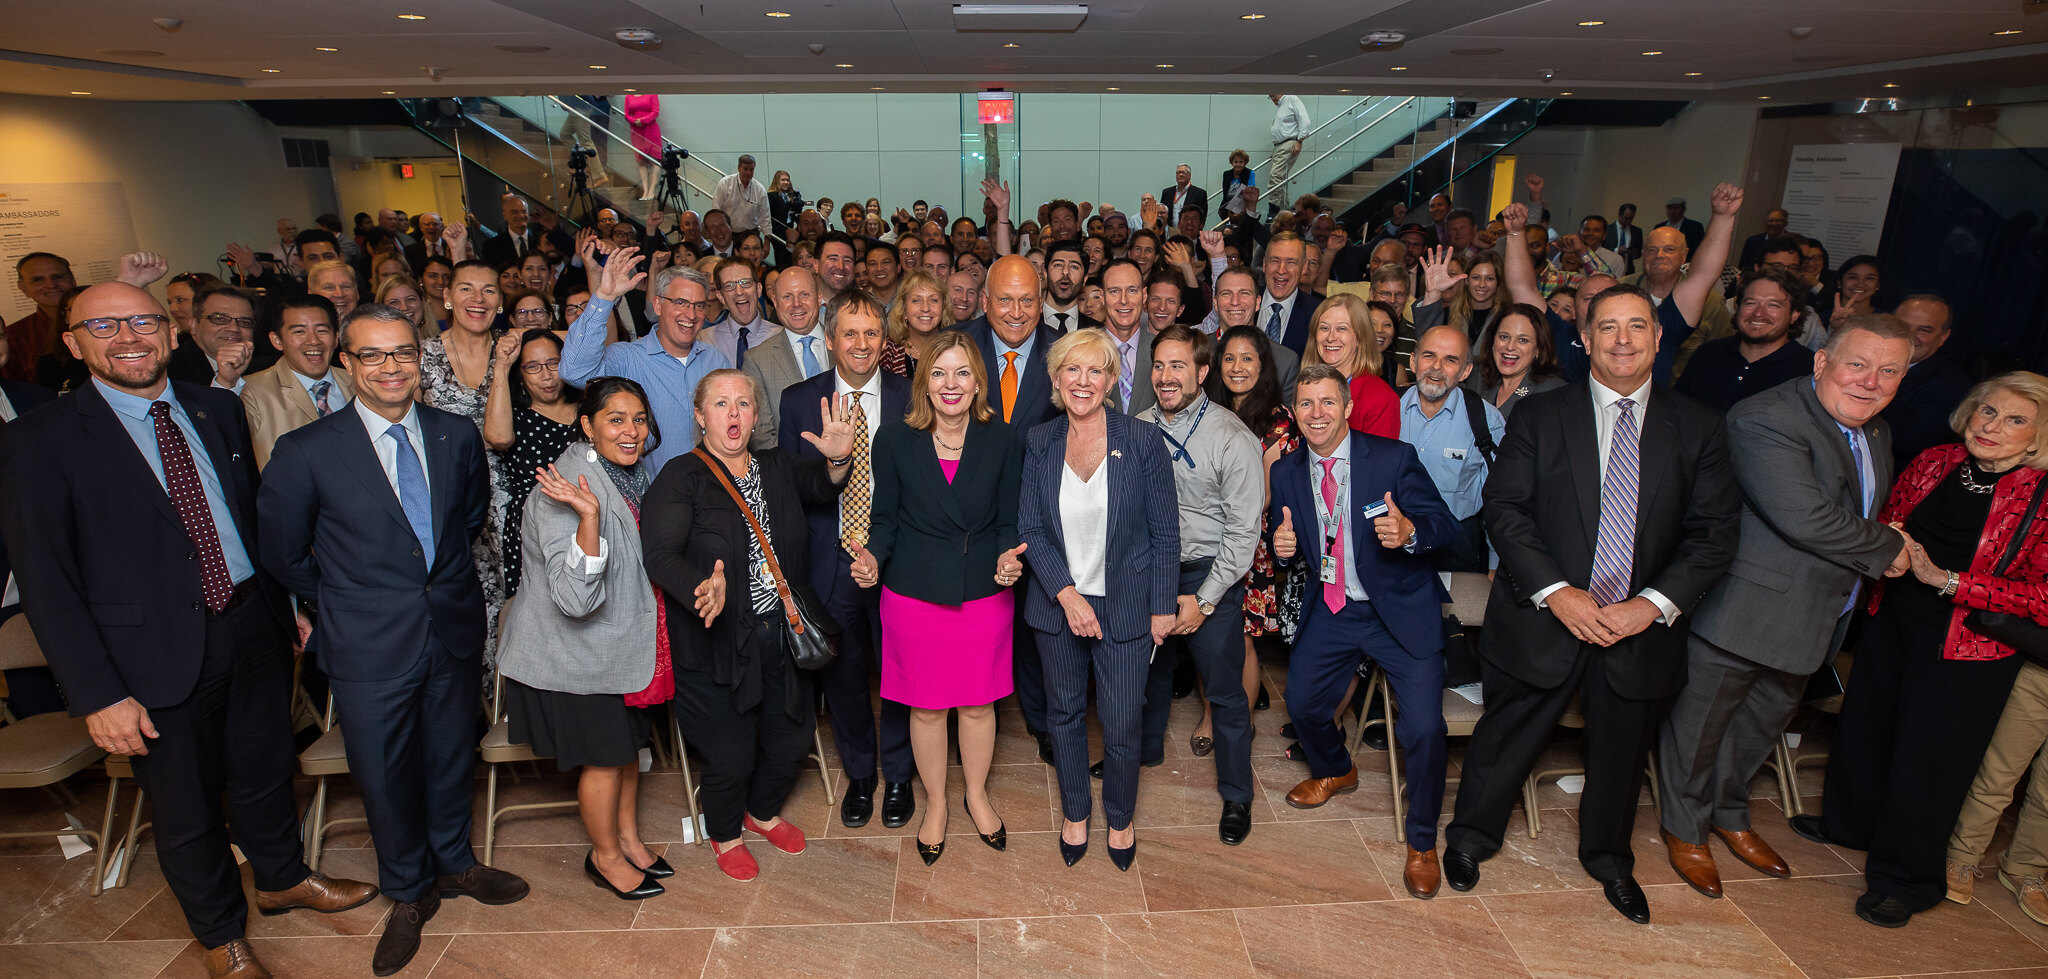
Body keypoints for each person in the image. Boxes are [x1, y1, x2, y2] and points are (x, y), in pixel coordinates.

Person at [0, 283, 377, 979]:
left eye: (143, 319)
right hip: (146, 658)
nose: (129, 336)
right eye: (105, 324)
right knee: (186, 805)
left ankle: (282, 875)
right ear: (73, 342)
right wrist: (96, 694)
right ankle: (220, 933)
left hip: (250, 625)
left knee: (268, 771)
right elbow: (47, 583)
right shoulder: (37, 440)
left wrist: (285, 602)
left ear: (171, 334)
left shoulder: (217, 408)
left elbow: (245, 517)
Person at [1444, 283, 1742, 925]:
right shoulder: (1541, 417)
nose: (1624, 339)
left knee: (1621, 751)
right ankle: (1471, 838)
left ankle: (1609, 858)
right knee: (1504, 735)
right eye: (1608, 327)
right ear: (1585, 339)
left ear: (1660, 338)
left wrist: (1652, 605)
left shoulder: (1698, 425)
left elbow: (1715, 535)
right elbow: (1506, 510)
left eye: (1638, 325)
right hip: (1543, 618)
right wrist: (1557, 593)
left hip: (1639, 627)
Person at [259, 303, 527, 975]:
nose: (389, 367)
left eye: (402, 352)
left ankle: (455, 863)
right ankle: (407, 891)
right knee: (382, 771)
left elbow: (464, 522)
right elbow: (284, 554)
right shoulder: (307, 451)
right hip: (366, 641)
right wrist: (350, 597)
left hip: (452, 628)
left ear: (419, 359)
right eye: (372, 355)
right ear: (347, 362)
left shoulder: (454, 435)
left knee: (448, 753)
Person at [1656, 314, 1914, 903]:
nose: (1871, 382)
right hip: (1745, 611)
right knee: (1698, 730)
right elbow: (1807, 518)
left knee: (1760, 726)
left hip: (1819, 614)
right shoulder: (1766, 419)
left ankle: (1730, 813)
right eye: (1858, 364)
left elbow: (1860, 509)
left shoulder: (1875, 430)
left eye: (1889, 371)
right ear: (1821, 362)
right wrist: (1892, 547)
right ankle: (1685, 829)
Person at [1792, 372, 2048, 927]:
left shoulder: (2043, 493)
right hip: (1894, 617)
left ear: (2037, 437)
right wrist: (1889, 542)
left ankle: (1907, 879)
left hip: (1971, 644)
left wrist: (1948, 580)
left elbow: (2043, 595)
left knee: (1929, 760)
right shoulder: (1935, 459)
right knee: (1867, 726)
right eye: (1987, 411)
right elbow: (1890, 520)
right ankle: (1850, 824)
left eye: (2014, 420)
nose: (1992, 426)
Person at [642, 369, 854, 882]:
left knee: (789, 738)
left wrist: (840, 457)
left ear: (756, 416)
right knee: (730, 753)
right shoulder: (681, 475)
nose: (733, 414)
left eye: (743, 404)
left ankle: (760, 814)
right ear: (699, 416)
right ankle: (725, 832)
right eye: (720, 404)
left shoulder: (777, 465)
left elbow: (823, 486)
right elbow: (661, 554)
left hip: (781, 635)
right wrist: (700, 587)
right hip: (716, 641)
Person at [499, 377, 673, 900]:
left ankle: (628, 840)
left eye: (638, 419)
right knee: (606, 756)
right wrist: (590, 517)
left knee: (627, 750)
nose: (631, 431)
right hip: (573, 655)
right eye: (615, 420)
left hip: (621, 644)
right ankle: (605, 858)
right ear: (587, 426)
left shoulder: (631, 472)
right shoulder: (564, 488)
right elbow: (574, 598)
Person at [1017, 327, 1180, 871]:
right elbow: (1031, 530)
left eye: (1095, 370)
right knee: (1062, 714)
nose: (1082, 381)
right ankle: (1075, 813)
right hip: (1059, 605)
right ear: (1057, 379)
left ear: (1111, 380)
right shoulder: (1039, 442)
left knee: (1122, 720)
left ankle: (1121, 814)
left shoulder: (1141, 442)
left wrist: (1162, 607)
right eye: (1072, 370)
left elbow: (1165, 533)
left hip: (1127, 606)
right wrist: (1067, 596)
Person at [859, 331, 1023, 864]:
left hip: (982, 590)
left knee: (978, 704)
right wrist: (871, 558)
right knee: (926, 709)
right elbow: (883, 520)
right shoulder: (893, 439)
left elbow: (1006, 521)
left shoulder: (1002, 440)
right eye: (938, 373)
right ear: (923, 383)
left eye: (961, 373)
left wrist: (1006, 557)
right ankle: (936, 804)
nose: (950, 384)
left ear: (979, 384)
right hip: (914, 591)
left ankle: (976, 795)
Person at [778, 291, 916, 829]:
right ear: (829, 339)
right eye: (850, 334)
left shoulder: (914, 397)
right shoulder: (797, 401)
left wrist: (885, 549)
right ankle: (862, 774)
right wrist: (835, 464)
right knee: (844, 676)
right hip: (829, 561)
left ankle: (900, 774)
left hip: (899, 559)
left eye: (872, 334)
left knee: (900, 671)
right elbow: (792, 488)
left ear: (885, 340)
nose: (861, 345)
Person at [1134, 326, 1265, 844]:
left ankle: (1237, 794)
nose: (1166, 377)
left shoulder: (1232, 438)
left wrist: (1205, 599)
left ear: (1202, 373)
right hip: (1151, 570)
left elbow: (1243, 533)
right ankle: (1141, 754)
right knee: (1147, 675)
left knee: (1226, 692)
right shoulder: (1136, 427)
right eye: (1160, 366)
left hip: (1210, 571)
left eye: (1178, 366)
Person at [959, 256, 1064, 760]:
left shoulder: (1062, 355)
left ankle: (1043, 722)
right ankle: (975, 721)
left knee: (1038, 625)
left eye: (1027, 300)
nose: (1016, 311)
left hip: (1045, 518)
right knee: (974, 624)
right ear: (984, 302)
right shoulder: (958, 348)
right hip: (971, 519)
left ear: (1042, 302)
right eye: (1005, 299)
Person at [563, 244, 732, 474]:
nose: (691, 315)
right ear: (658, 305)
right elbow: (574, 371)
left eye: (699, 306)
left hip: (713, 493)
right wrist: (604, 298)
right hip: (652, 501)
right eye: (680, 303)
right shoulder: (627, 358)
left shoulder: (716, 362)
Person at [1401, 326, 1507, 573]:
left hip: (1456, 544)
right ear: (1413, 361)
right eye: (1429, 355)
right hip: (1393, 541)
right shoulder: (1388, 408)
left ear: (1465, 371)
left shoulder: (1486, 420)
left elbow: (1500, 497)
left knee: (1457, 611)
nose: (1437, 367)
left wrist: (1495, 561)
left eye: (1450, 360)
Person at [485, 328, 583, 596]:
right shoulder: (515, 414)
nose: (546, 375)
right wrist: (502, 365)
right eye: (533, 367)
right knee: (537, 608)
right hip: (533, 524)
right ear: (520, 374)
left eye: (554, 363)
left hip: (586, 518)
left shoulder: (587, 408)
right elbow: (497, 438)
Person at [1673, 269, 1819, 414]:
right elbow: (1676, 411)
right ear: (1737, 307)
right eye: (1751, 303)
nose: (1759, 313)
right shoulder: (1708, 354)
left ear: (1794, 315)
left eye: (1773, 305)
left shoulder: (1808, 371)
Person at [241, 294, 351, 470]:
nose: (313, 340)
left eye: (322, 330)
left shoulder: (358, 382)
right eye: (299, 331)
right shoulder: (251, 391)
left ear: (336, 337)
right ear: (277, 341)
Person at [1881, 294, 1972, 473]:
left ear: (1943, 337)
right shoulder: (1865, 361)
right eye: (1902, 326)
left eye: (1924, 330)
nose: (1910, 336)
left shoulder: (1953, 387)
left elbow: (1907, 440)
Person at [744, 267, 829, 448]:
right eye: (787, 297)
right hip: (790, 471)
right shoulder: (757, 360)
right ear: (775, 301)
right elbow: (762, 435)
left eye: (804, 294)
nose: (796, 304)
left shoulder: (845, 344)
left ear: (819, 297)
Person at [1307, 294, 1400, 439]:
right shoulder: (1305, 386)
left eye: (1342, 329)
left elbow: (1380, 459)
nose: (1331, 338)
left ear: (1360, 337)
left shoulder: (1381, 398)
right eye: (1324, 328)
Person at [1464, 303, 1565, 420]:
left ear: (1539, 349)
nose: (1510, 347)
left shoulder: (1553, 391)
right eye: (1503, 337)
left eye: (1523, 340)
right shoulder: (1476, 376)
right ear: (1493, 341)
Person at [880, 269, 948, 377]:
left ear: (943, 307)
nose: (925, 308)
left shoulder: (955, 349)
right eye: (916, 300)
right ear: (904, 310)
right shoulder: (888, 352)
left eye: (933, 300)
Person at [1267, 94, 1310, 215]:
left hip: (1289, 142)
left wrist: (1299, 140)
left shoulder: (1292, 99)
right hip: (1279, 145)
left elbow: (1304, 121)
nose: (1272, 100)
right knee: (1281, 179)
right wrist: (1275, 149)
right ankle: (1283, 212)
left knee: (1275, 176)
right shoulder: (1280, 106)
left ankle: (1273, 210)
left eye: (1272, 97)